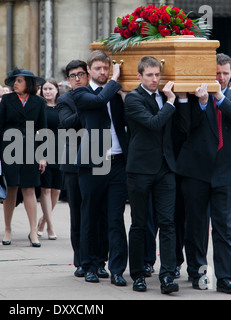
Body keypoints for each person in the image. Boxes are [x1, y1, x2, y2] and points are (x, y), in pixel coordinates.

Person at [176, 53, 231, 293]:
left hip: (226, 172)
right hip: (196, 170)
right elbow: (187, 126)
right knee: (195, 225)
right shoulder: (197, 96)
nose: (222, 77)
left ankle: (225, 277)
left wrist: (219, 97)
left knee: (223, 226)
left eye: (226, 73)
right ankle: (197, 271)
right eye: (217, 73)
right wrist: (204, 102)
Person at [124, 56, 189, 294]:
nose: (154, 79)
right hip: (140, 169)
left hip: (165, 169)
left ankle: (168, 275)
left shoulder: (165, 95)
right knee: (140, 224)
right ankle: (139, 274)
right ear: (140, 75)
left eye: (157, 75)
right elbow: (152, 124)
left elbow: (182, 128)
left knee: (168, 223)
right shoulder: (133, 98)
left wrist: (180, 100)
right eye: (150, 75)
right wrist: (171, 103)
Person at [71, 50, 129, 286]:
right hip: (92, 164)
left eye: (107, 68)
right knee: (90, 216)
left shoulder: (114, 94)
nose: (103, 72)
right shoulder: (81, 93)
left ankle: (116, 269)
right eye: (98, 69)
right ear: (89, 71)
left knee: (115, 218)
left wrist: (123, 93)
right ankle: (90, 265)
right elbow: (98, 101)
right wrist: (115, 81)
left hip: (117, 162)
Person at [56, 59, 108, 278]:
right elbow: (67, 123)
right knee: (78, 213)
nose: (77, 79)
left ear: (87, 75)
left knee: (101, 214)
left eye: (80, 74)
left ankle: (100, 260)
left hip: (99, 159)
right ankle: (81, 260)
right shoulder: (66, 99)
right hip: (74, 163)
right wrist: (88, 106)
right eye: (72, 76)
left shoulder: (99, 95)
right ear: (68, 81)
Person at [0, 67, 47, 247]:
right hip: (9, 147)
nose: (16, 83)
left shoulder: (39, 102)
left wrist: (43, 155)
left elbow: (43, 130)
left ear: (29, 84)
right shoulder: (7, 100)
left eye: (20, 81)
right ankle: (7, 229)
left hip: (31, 148)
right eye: (15, 80)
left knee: (29, 189)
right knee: (11, 189)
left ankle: (33, 231)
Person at [37, 78, 63, 240]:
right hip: (44, 150)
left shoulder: (63, 107)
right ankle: (50, 227)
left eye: (50, 89)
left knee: (57, 190)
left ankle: (43, 220)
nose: (47, 92)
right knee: (45, 189)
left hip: (60, 150)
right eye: (45, 89)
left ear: (56, 91)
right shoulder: (40, 108)